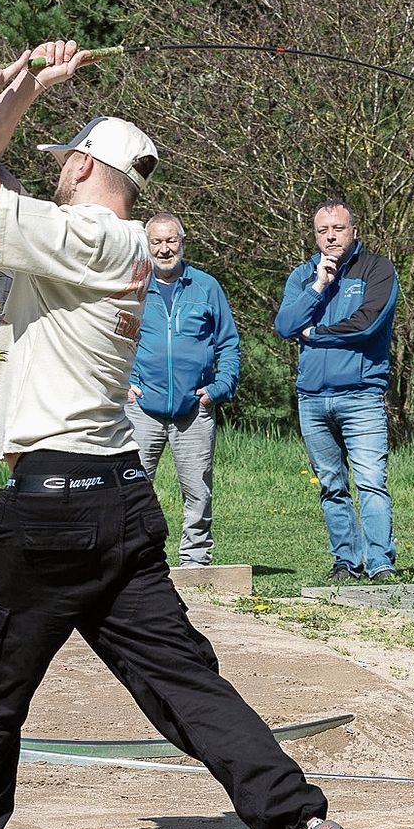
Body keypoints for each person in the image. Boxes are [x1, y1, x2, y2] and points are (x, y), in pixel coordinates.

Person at [0, 39, 362, 829]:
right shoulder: (100, 239)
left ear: (86, 167)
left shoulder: (87, 235)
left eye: (66, 162)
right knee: (186, 686)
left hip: (50, 510)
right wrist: (31, 86)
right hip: (119, 501)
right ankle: (306, 825)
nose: (52, 175)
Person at [274, 200, 399, 581]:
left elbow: (367, 324)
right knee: (331, 485)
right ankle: (346, 561)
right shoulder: (303, 275)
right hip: (311, 398)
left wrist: (317, 334)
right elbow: (284, 325)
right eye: (322, 231)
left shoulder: (377, 270)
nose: (330, 237)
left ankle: (380, 564)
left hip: (361, 395)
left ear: (354, 231)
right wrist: (319, 285)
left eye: (338, 229)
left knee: (370, 482)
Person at [125, 212, 240, 567]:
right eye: (157, 242)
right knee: (133, 490)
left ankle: (196, 559)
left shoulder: (206, 286)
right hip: (142, 407)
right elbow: (110, 338)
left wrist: (219, 388)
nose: (164, 249)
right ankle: (137, 559)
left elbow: (229, 344)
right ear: (147, 245)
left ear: (183, 242)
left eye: (171, 240)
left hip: (195, 408)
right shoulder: (132, 285)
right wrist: (124, 384)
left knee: (198, 490)